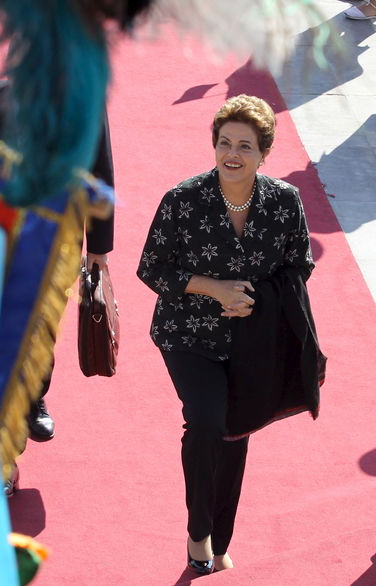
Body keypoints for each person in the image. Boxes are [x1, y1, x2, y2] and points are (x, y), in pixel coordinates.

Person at [137, 94, 323, 574]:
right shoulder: (184, 199)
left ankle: (220, 538)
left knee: (235, 433)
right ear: (213, 146)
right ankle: (198, 530)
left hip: (251, 339)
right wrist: (215, 289)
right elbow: (152, 268)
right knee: (205, 421)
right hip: (187, 334)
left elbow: (299, 265)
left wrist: (255, 299)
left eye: (245, 145)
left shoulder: (285, 201)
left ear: (264, 153)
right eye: (224, 143)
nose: (232, 154)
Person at [0, 80, 115, 494]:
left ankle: (34, 397)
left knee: (40, 330)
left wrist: (98, 249)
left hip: (54, 245)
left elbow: (100, 174)